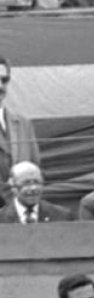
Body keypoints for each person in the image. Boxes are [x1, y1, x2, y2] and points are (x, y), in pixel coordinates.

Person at [0, 55, 42, 208]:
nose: (0, 85)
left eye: (4, 80)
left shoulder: (24, 124)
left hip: (20, 212)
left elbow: (35, 167)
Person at [0, 161, 72, 223]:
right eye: (26, 183)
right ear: (13, 187)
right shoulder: (2, 218)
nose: (33, 188)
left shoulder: (62, 215)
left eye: (37, 182)